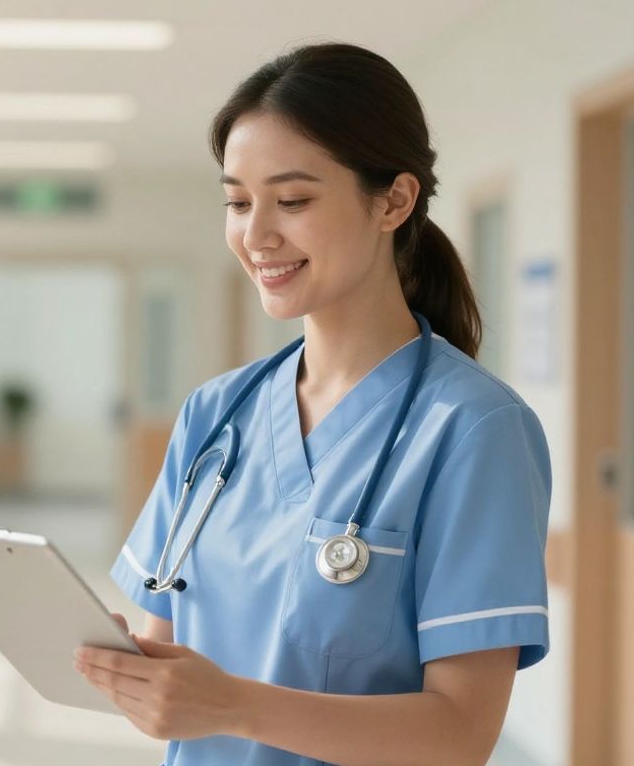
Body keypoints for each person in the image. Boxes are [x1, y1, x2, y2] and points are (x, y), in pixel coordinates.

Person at [75, 43, 552, 766]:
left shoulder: (474, 429)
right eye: (238, 202)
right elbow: (166, 650)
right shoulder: (215, 416)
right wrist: (133, 673)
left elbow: (460, 736)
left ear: (394, 201)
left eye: (292, 201)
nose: (256, 234)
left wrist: (233, 705)